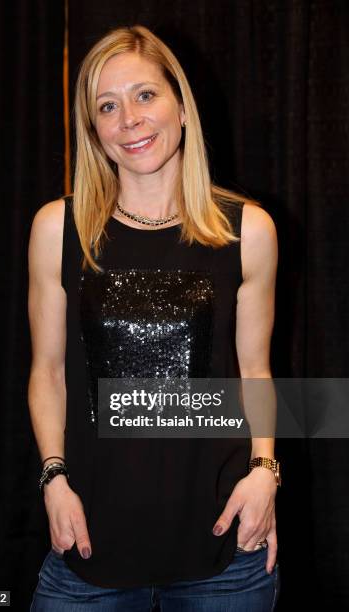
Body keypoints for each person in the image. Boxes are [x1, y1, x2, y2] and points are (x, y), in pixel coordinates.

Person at [28, 24, 280, 611]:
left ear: (182, 106)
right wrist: (52, 479)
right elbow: (47, 374)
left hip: (225, 551)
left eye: (145, 95)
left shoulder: (249, 230)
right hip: (91, 545)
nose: (129, 120)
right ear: (93, 129)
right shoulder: (57, 230)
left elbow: (256, 372)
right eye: (107, 106)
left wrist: (265, 472)